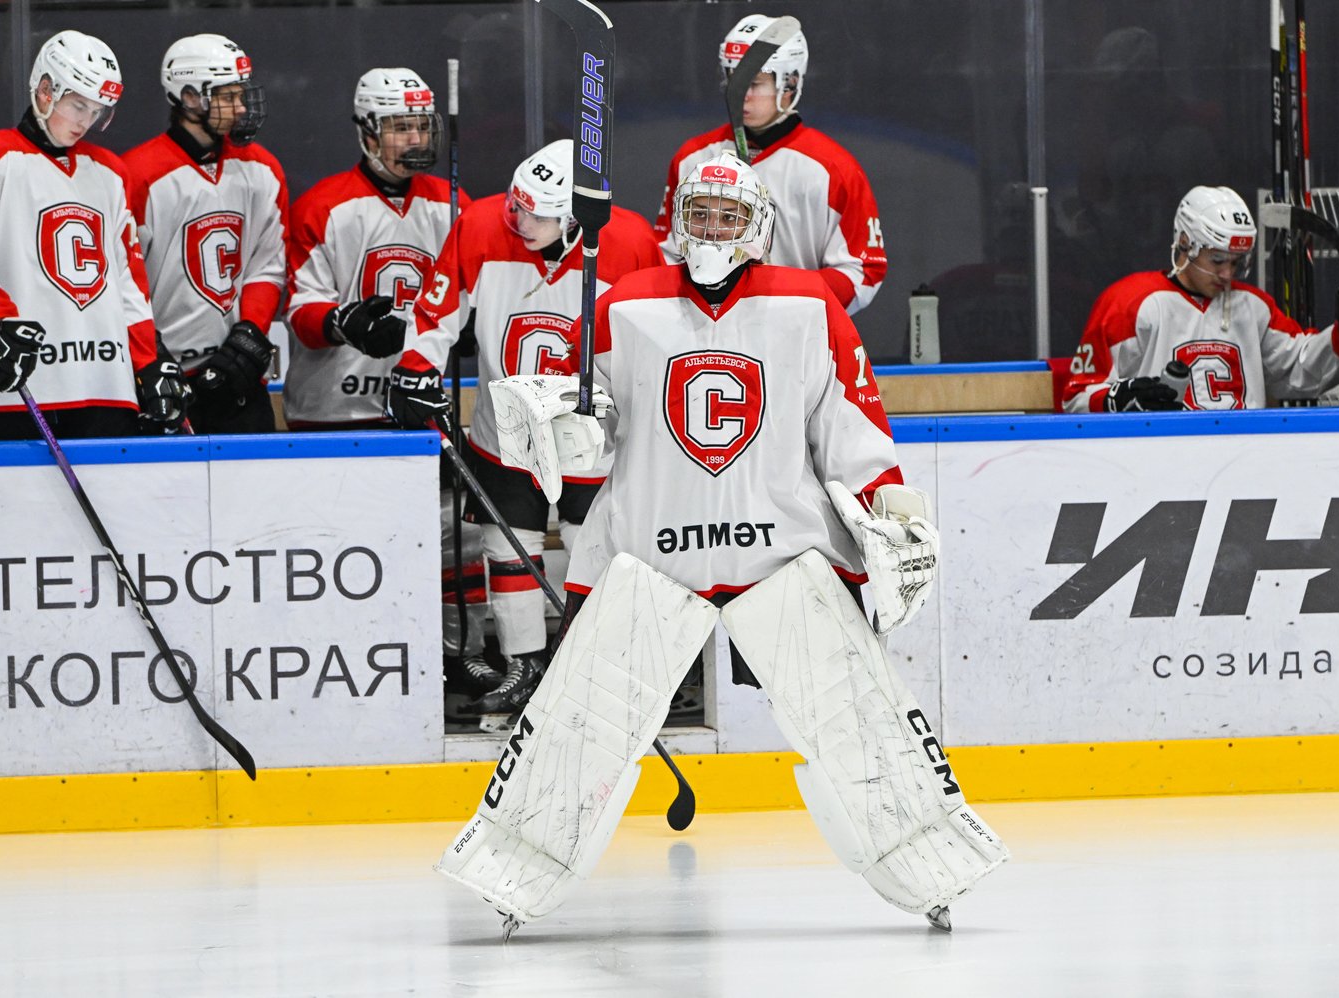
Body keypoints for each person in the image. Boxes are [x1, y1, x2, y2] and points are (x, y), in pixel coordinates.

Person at [437, 153, 1007, 937]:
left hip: (780, 553)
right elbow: (590, 428)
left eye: (729, 216)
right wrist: (565, 426)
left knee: (858, 717)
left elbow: (848, 423)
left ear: (758, 226)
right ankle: (513, 875)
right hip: (651, 552)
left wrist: (888, 507)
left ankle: (933, 868)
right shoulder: (623, 304)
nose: (711, 229)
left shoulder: (808, 305)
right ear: (678, 221)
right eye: (699, 213)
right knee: (577, 727)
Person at [388, 138, 663, 723]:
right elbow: (436, 309)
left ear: (574, 219)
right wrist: (416, 367)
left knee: (596, 548)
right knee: (506, 547)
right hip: (506, 430)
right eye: (516, 206)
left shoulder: (632, 242)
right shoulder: (480, 225)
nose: (518, 221)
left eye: (536, 214)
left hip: (592, 436)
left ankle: (600, 666)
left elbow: (657, 332)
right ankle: (525, 666)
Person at [0, 29, 188, 441]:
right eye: (78, 104)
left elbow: (128, 281)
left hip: (106, 389)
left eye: (97, 110)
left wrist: (147, 359)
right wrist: (0, 320)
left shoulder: (110, 172)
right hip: (15, 386)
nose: (86, 121)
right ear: (46, 89)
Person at [652, 14, 887, 315]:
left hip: (796, 332)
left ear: (790, 83)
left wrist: (786, 301)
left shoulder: (833, 169)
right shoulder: (694, 158)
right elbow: (666, 254)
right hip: (703, 327)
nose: (741, 96)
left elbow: (862, 271)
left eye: (754, 83)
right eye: (734, 81)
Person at [1062, 185, 1339, 412]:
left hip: (1246, 454)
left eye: (1236, 262)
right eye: (1217, 260)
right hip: (1160, 458)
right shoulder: (1128, 303)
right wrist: (1118, 397)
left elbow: (1301, 369)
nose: (1228, 274)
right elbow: (1076, 398)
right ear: (1185, 244)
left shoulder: (1254, 307)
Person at [125, 33, 288, 434]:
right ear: (189, 97)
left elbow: (266, 266)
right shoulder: (136, 175)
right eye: (228, 96)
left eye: (241, 95)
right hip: (162, 382)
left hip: (238, 380)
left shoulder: (263, 170)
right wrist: (149, 357)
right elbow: (124, 282)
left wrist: (250, 334)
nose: (241, 107)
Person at [284, 67, 464, 429]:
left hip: (419, 404)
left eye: (423, 126)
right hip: (332, 409)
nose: (417, 139)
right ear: (368, 132)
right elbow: (301, 314)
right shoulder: (321, 207)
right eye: (402, 128)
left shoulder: (454, 206)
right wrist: (342, 323)